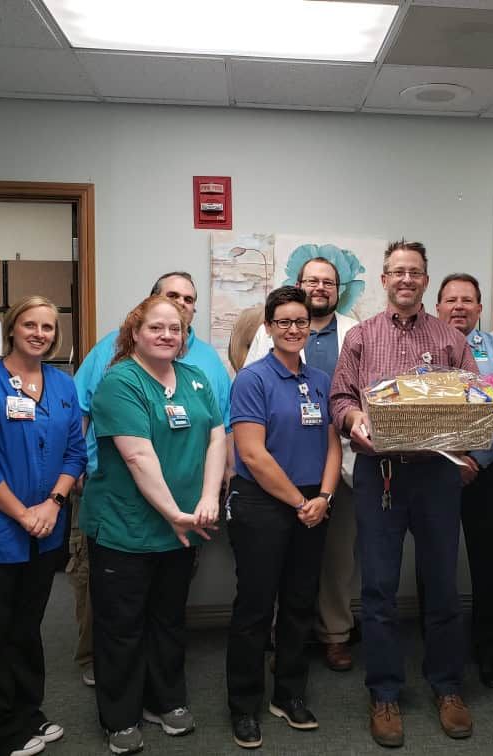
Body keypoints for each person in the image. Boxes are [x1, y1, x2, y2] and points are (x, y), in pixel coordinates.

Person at [330, 240, 477, 747]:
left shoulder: (451, 338)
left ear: (426, 279)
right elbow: (341, 395)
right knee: (378, 591)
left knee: (441, 585)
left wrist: (471, 457)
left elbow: (476, 398)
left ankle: (447, 687)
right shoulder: (361, 338)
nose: (407, 279)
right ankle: (384, 693)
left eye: (415, 272)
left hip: (437, 476)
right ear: (384, 279)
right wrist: (353, 419)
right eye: (398, 272)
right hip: (380, 474)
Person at [68, 271, 233, 688]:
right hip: (121, 503)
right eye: (169, 298)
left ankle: (159, 684)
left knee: (166, 606)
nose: (179, 306)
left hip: (186, 508)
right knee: (111, 606)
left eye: (187, 301)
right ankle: (100, 667)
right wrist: (81, 469)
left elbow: (219, 429)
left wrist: (212, 489)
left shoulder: (204, 364)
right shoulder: (115, 360)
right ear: (142, 317)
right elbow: (82, 415)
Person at [0, 295, 86, 756]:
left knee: (27, 628)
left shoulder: (63, 385)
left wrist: (52, 503)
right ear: (13, 328)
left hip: (45, 530)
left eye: (48, 327)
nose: (39, 334)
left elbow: (76, 452)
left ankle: (28, 711)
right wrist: (24, 513)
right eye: (30, 324)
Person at [226, 286, 342, 748]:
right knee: (255, 609)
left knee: (299, 604)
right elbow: (252, 454)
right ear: (269, 328)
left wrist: (326, 497)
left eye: (301, 322)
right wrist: (300, 503)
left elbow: (334, 443)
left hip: (315, 505)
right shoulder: (252, 380)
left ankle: (290, 695)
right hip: (264, 504)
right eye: (284, 322)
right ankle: (244, 705)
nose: (294, 329)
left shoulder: (320, 380)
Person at [244, 256, 360, 672]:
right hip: (281, 469)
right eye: (313, 280)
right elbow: (254, 396)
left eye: (329, 282)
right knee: (279, 566)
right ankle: (283, 635)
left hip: (336, 464)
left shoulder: (354, 331)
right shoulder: (267, 338)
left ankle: (334, 634)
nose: (321, 287)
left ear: (338, 289)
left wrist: (326, 490)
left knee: (337, 558)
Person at [434, 273, 493, 689]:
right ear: (437, 306)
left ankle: (489, 651)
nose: (458, 306)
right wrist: (448, 458)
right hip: (432, 470)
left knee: (492, 565)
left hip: (487, 472)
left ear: (479, 308)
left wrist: (476, 457)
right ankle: (438, 646)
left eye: (467, 300)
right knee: (434, 565)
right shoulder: (421, 348)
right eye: (451, 299)